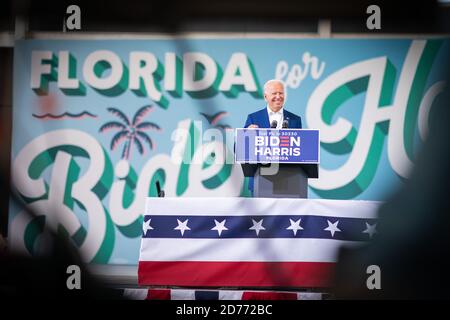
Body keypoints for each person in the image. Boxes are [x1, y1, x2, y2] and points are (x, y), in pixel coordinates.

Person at [243, 79, 303, 194]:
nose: (278, 96)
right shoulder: (254, 118)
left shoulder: (295, 120)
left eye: (281, 93)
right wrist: (247, 135)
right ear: (266, 97)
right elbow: (241, 147)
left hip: (289, 180)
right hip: (260, 179)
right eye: (274, 93)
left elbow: (299, 150)